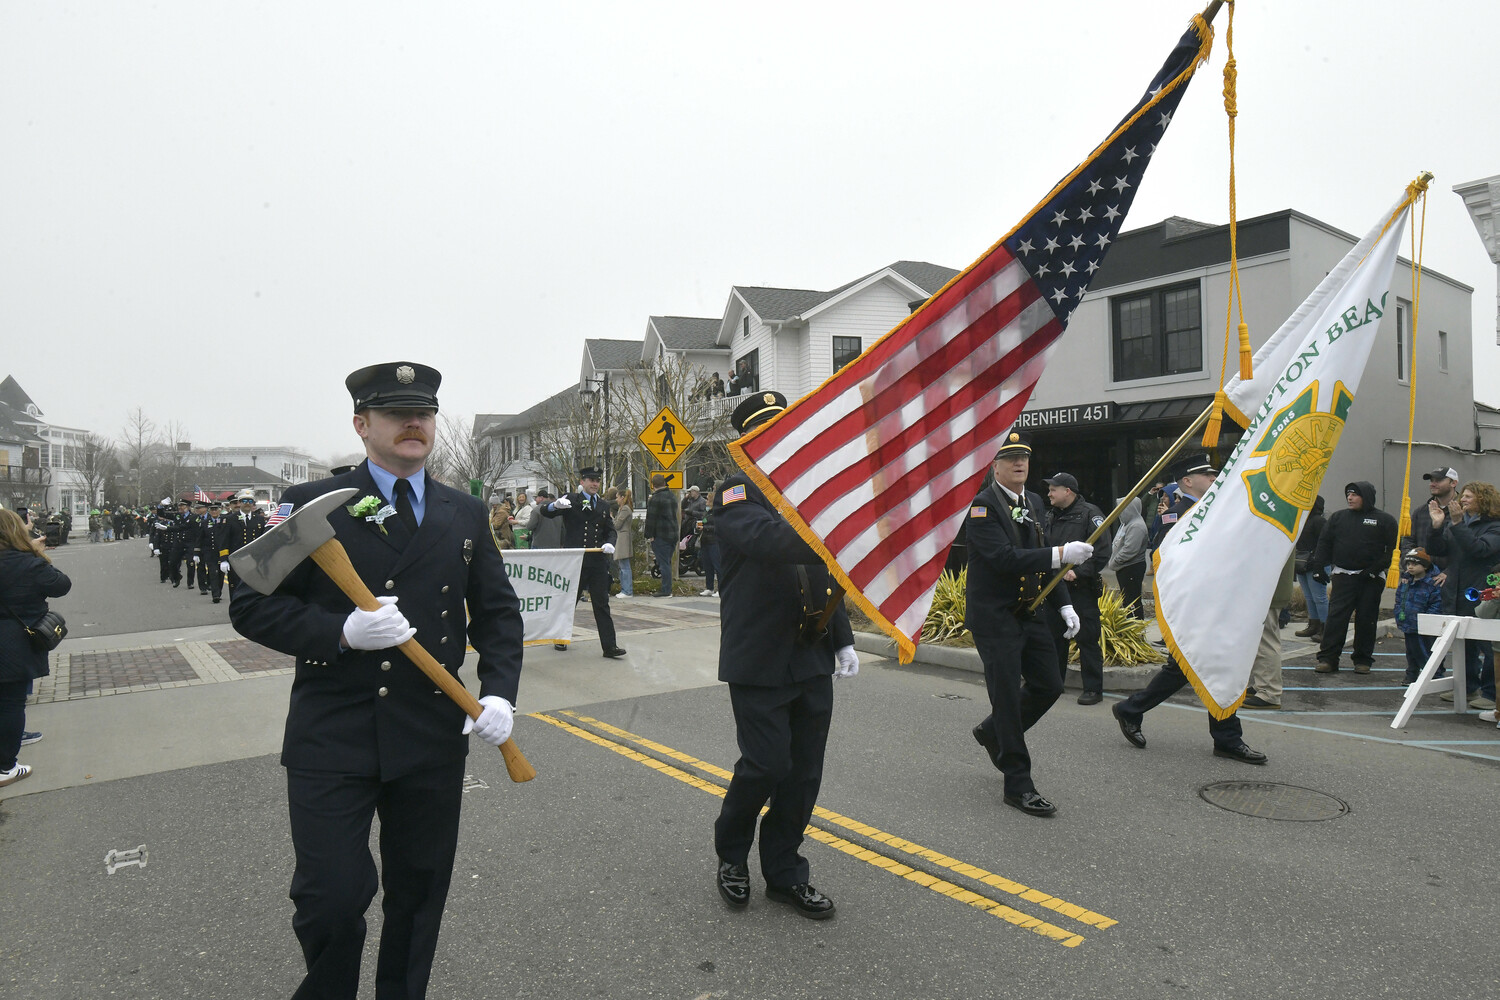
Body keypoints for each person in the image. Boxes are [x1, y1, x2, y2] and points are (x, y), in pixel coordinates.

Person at [229, 362, 524, 1000]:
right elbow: (250, 604)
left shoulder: (465, 512)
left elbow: (498, 614)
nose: (414, 423)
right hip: (334, 732)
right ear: (363, 425)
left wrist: (500, 691)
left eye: (424, 413)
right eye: (396, 413)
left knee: (419, 895)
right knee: (330, 898)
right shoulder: (311, 504)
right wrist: (340, 632)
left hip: (428, 734)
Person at [712, 390, 858, 919]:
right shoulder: (736, 493)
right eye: (768, 433)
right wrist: (838, 529)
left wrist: (841, 637)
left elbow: (823, 574)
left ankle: (784, 871)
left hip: (810, 657)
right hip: (760, 661)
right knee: (766, 764)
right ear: (749, 443)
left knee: (803, 775)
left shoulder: (810, 495)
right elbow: (773, 542)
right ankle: (732, 855)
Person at [1113, 455, 1268, 764]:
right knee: (1207, 665)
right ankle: (1226, 738)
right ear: (1187, 481)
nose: (1213, 477)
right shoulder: (1177, 515)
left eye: (1214, 473)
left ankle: (1132, 709)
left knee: (1197, 667)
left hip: (1217, 601)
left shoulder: (1214, 511)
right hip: (1192, 605)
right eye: (1206, 474)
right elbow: (1164, 559)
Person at [966, 431, 1085, 816]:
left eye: (1025, 458)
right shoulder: (983, 507)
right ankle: (1018, 784)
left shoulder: (1032, 502)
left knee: (1049, 684)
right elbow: (1004, 558)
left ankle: (991, 732)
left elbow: (1042, 560)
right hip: (996, 617)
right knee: (1005, 698)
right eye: (1011, 458)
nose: (1020, 463)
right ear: (995, 465)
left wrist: (1064, 604)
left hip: (1028, 611)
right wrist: (1060, 553)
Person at [0, 507, 71, 787]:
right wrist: (34, 553)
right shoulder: (27, 562)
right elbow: (61, 585)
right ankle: (6, 767)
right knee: (11, 704)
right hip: (14, 642)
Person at [1424, 481, 1500, 709]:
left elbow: (1479, 550)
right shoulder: (1458, 523)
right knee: (1463, 643)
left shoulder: (1494, 526)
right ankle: (1467, 688)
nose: (1462, 499)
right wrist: (1437, 527)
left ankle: (1490, 694)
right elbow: (1437, 551)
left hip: (1482, 591)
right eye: (1463, 496)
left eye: (1468, 496)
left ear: (1483, 500)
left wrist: (1457, 524)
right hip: (1456, 590)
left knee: (1487, 645)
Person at [1312, 482, 1398, 674]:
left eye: (1355, 494)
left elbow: (1393, 548)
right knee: (1336, 618)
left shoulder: (1385, 520)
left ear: (1366, 496)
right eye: (1348, 494)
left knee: (1367, 619)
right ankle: (1328, 659)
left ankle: (1363, 660)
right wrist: (1318, 566)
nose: (1350, 497)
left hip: (1371, 578)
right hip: (1343, 576)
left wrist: (1376, 568)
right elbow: (1325, 542)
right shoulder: (1338, 517)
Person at [542, 466, 627, 659]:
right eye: (591, 480)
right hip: (575, 561)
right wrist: (554, 506)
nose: (595, 484)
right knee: (568, 602)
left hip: (596, 561)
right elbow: (545, 512)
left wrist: (609, 543)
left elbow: (610, 530)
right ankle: (560, 638)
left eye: (597, 481)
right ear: (582, 482)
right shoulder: (571, 500)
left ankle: (609, 646)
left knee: (602, 603)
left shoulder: (604, 506)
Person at [1043, 472, 1111, 705]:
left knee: (1087, 638)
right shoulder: (1051, 515)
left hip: (1080, 589)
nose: (1049, 493)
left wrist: (1078, 572)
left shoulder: (1090, 514)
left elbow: (1102, 551)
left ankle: (1093, 689)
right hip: (1054, 588)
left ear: (1067, 492)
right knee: (1054, 638)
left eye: (1053, 489)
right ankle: (1054, 684)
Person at [1243, 554, 1296, 709]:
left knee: (1265, 640)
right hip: (1268, 588)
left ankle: (1269, 692)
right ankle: (1262, 684)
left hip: (1267, 590)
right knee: (1260, 639)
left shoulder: (1274, 529)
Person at [1393, 547, 1445, 684]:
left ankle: (1435, 674)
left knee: (1427, 650)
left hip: (1425, 625)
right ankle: (1412, 673)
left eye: (1415, 564)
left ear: (1425, 566)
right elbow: (1399, 598)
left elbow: (1436, 603)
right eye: (1409, 564)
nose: (1410, 567)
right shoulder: (1406, 580)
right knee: (1411, 651)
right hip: (1408, 622)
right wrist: (1398, 612)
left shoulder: (1432, 583)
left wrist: (1427, 620)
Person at [1405, 468, 1460, 584]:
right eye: (1431, 480)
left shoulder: (1464, 510)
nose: (1433, 484)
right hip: (1421, 577)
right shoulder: (1421, 511)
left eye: (1438, 480)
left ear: (1453, 483)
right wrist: (1409, 564)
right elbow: (1408, 540)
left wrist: (1450, 572)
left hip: (1452, 580)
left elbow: (1467, 549)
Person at [1293, 495, 1328, 638]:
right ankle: (1313, 624)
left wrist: (1318, 560)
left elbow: (1325, 542)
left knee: (1319, 597)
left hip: (1316, 564)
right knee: (1309, 596)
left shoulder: (1319, 521)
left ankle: (1325, 628)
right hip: (1302, 563)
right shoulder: (1301, 520)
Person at [1106, 497, 1147, 618]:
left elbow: (1130, 550)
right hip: (1124, 567)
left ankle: (1136, 629)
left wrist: (1115, 562)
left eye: (1122, 508)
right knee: (1127, 600)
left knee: (1132, 601)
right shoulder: (1127, 523)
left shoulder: (1136, 526)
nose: (1119, 512)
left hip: (1131, 567)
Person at [643, 473, 678, 598]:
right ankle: (667, 588)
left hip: (661, 535)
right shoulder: (672, 496)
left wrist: (648, 534)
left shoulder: (655, 499)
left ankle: (666, 590)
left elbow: (651, 519)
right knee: (666, 562)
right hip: (673, 534)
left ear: (653, 485)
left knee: (663, 564)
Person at [612, 488, 635, 597]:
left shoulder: (625, 509)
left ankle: (627, 590)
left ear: (622, 497)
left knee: (624, 566)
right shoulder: (624, 508)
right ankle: (625, 589)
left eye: (617, 497)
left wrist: (612, 518)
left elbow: (617, 525)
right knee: (623, 565)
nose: (616, 500)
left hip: (623, 538)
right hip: (622, 537)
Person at [699, 491, 720, 597]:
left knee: (717, 565)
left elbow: (718, 527)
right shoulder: (707, 512)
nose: (706, 501)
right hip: (705, 541)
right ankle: (709, 587)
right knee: (707, 566)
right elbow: (704, 521)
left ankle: (721, 588)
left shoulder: (717, 512)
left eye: (708, 499)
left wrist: (705, 528)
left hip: (714, 541)